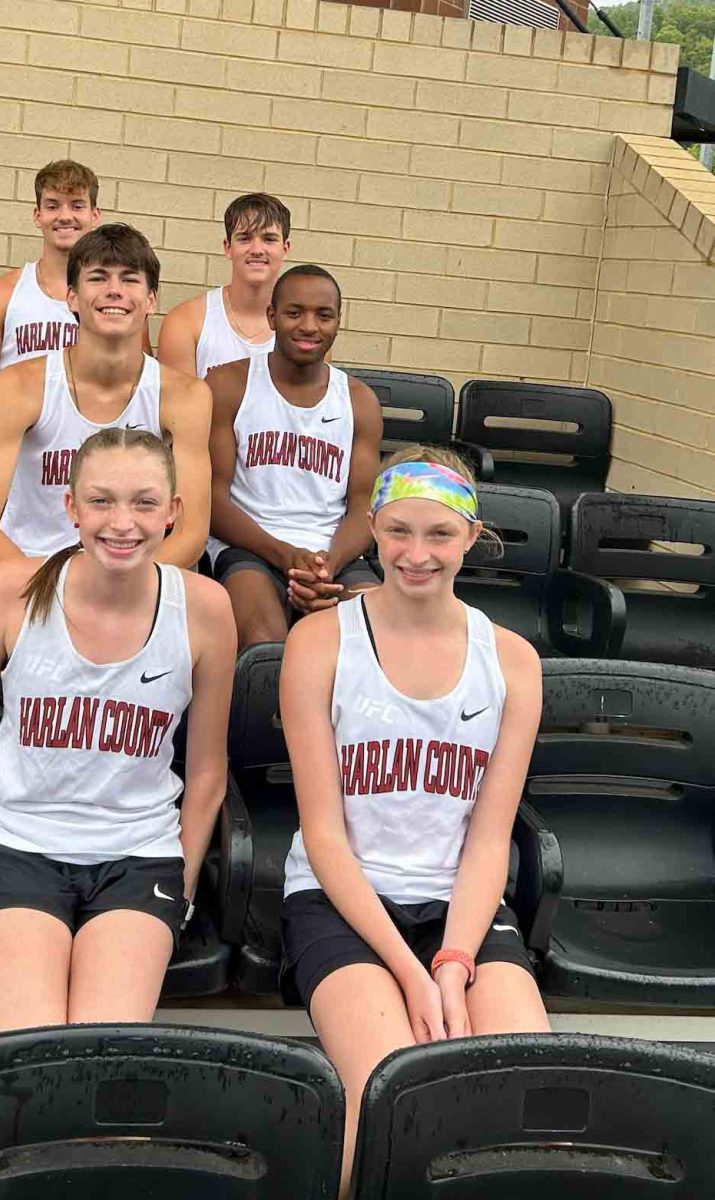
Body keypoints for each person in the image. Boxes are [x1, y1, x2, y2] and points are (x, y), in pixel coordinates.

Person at [279, 447, 550, 1197]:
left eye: (438, 534)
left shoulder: (512, 662)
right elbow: (324, 836)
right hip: (342, 902)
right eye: (398, 531)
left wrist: (454, 964)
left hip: (459, 907)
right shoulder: (320, 641)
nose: (415, 553)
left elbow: (489, 838)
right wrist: (410, 971)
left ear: (471, 535)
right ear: (370, 529)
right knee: (391, 1107)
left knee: (520, 1108)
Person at [0, 427, 236, 1033]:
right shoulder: (11, 591)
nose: (122, 523)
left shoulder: (203, 608)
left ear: (173, 512)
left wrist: (185, 882)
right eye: (101, 501)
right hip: (15, 848)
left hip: (139, 855)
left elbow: (206, 774)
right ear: (70, 507)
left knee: (98, 1051)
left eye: (145, 502)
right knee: (29, 1050)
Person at [0, 224, 212, 700]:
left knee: (207, 631)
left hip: (134, 567)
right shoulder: (22, 385)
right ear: (72, 298)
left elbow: (190, 531)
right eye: (99, 278)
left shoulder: (184, 396)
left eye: (130, 279)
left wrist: (119, 586)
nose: (115, 291)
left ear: (151, 300)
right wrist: (55, 590)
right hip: (31, 563)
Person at [207, 264, 381, 651]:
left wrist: (326, 567)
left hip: (332, 555)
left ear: (338, 322)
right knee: (263, 644)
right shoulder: (229, 385)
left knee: (375, 639)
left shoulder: (359, 401)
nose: (309, 326)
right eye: (294, 312)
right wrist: (288, 557)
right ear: (272, 316)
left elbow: (363, 507)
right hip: (250, 548)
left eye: (323, 315)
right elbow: (213, 502)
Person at [0, 160, 102, 442]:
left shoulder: (116, 301)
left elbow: (135, 382)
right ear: (37, 215)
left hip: (90, 444)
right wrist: (10, 429)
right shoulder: (1, 294)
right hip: (19, 437)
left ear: (95, 215)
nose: (65, 215)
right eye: (53, 205)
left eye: (77, 205)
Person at [157, 192, 290, 378]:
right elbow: (177, 403)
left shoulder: (305, 329)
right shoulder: (185, 322)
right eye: (245, 238)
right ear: (228, 247)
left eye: (269, 239)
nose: (257, 250)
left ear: (285, 249)